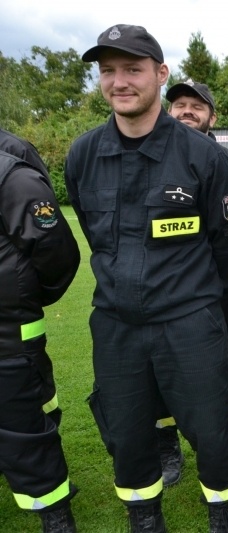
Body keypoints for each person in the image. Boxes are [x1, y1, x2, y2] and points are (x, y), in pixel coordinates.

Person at [65, 24, 228, 533]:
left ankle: (224, 521)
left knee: (214, 436)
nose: (119, 81)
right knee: (128, 439)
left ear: (161, 74)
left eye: (133, 69)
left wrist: (186, 294)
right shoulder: (83, 155)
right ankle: (145, 520)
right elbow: (94, 233)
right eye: (108, 71)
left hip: (190, 324)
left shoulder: (203, 156)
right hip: (116, 328)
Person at [163, 79, 228, 485]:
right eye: (179, 104)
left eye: (197, 105)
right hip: (161, 298)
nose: (187, 111)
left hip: (219, 295)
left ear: (213, 117)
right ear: (168, 111)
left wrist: (214, 281)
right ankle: (166, 446)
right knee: (161, 373)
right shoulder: (151, 160)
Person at [0, 144, 81, 532]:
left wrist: (25, 298)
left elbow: (56, 254)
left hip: (8, 336)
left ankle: (56, 515)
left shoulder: (12, 176)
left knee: (25, 431)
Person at [0, 128, 65, 427]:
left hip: (14, 332)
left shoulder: (14, 152)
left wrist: (24, 293)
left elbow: (53, 249)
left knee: (30, 419)